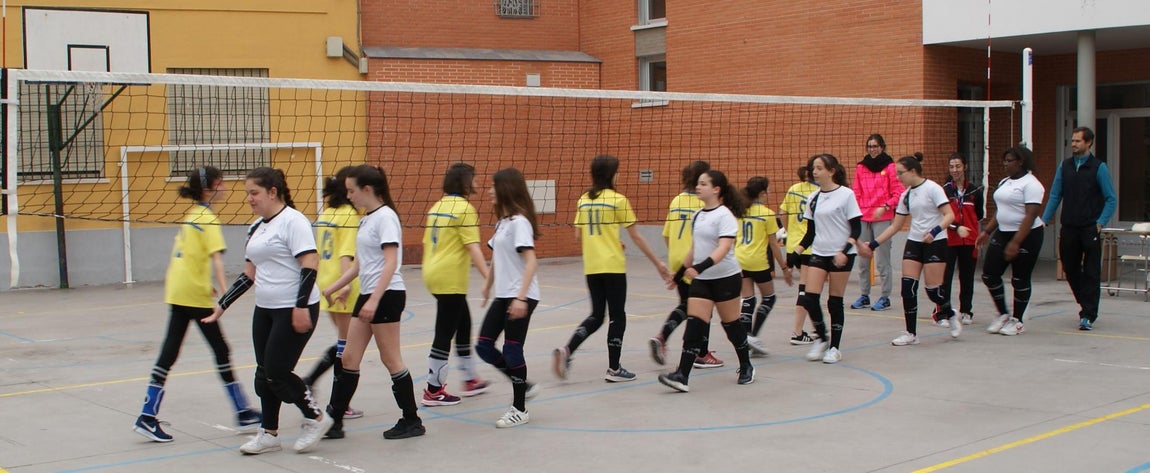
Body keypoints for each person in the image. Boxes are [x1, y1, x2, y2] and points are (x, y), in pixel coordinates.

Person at [206, 167, 331, 455]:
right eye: (247, 193)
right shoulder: (256, 227)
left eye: (254, 193)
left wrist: (301, 306)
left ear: (272, 192)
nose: (249, 198)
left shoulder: (293, 221)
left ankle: (316, 418)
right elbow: (248, 274)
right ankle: (269, 434)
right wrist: (222, 305)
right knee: (263, 375)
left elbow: (310, 263)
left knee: (277, 372)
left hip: (294, 308)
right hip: (265, 309)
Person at [133, 166, 261, 443]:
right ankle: (243, 412)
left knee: (170, 351)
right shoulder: (208, 219)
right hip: (193, 294)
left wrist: (205, 283)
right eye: (220, 184)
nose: (225, 188)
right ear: (208, 190)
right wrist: (226, 293)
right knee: (220, 349)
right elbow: (216, 259)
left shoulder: (192, 215)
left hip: (179, 288)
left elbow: (192, 256)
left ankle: (147, 415)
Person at [320, 164, 425, 440]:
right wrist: (334, 287)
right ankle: (334, 423)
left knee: (390, 358)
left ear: (367, 189)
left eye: (351, 191)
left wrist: (375, 299)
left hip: (386, 294)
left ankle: (412, 420)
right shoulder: (366, 219)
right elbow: (359, 264)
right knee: (349, 357)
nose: (348, 196)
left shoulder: (386, 217)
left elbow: (391, 262)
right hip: (369, 294)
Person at [554, 155, 671, 382]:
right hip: (613, 266)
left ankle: (568, 350)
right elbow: (636, 236)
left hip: (592, 266)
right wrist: (658, 263)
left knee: (597, 315)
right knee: (617, 316)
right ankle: (614, 369)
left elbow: (578, 236)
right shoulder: (618, 200)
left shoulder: (584, 200)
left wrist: (608, 240)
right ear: (611, 174)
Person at [657, 170, 756, 392]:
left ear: (716, 189)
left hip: (726, 278)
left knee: (731, 326)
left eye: (703, 184)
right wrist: (679, 275)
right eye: (698, 183)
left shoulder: (725, 216)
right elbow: (694, 249)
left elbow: (723, 248)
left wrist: (699, 268)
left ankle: (746, 365)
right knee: (695, 325)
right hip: (702, 280)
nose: (698, 187)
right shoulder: (697, 215)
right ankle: (682, 376)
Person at [861, 154, 962, 346]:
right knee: (907, 288)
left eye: (901, 173)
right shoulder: (905, 195)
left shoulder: (933, 189)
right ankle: (911, 333)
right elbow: (895, 226)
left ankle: (950, 313)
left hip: (936, 242)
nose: (898, 177)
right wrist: (872, 245)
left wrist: (934, 231)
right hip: (915, 241)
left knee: (933, 291)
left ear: (913, 171)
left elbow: (949, 215)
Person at [420, 162, 492, 405]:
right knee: (444, 332)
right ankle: (433, 390)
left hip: (432, 271)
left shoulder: (437, 206)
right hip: (450, 277)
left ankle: (470, 379)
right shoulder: (465, 209)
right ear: (465, 182)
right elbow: (473, 247)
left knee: (463, 323)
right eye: (474, 178)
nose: (477, 183)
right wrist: (489, 277)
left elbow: (427, 243)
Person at [477, 168, 542, 428]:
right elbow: (496, 258)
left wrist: (521, 298)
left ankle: (519, 408)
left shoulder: (519, 223)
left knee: (512, 349)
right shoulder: (502, 222)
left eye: (494, 186)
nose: (489, 191)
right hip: (504, 294)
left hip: (520, 295)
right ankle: (523, 384)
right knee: (483, 346)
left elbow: (531, 262)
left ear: (506, 188)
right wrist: (487, 285)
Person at [648, 161, 725, 369]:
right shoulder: (703, 203)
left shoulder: (677, 200)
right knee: (702, 308)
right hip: (695, 260)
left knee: (688, 304)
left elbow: (666, 234)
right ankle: (697, 352)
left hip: (677, 258)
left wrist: (676, 256)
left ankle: (673, 341)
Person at [301, 166, 364, 420]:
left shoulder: (327, 213)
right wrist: (345, 285)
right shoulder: (349, 215)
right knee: (347, 346)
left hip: (325, 282)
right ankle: (337, 401)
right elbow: (345, 253)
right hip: (341, 283)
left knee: (343, 342)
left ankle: (315, 382)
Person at [1040, 126, 1117, 331]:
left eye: (1077, 141)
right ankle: (1086, 302)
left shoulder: (1099, 167)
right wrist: (1045, 219)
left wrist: (1100, 223)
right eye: (1072, 140)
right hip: (1069, 227)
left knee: (1091, 272)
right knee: (1070, 267)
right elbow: (1055, 194)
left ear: (1088, 143)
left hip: (1090, 228)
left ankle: (1088, 314)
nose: (1073, 144)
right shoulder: (1064, 166)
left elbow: (1111, 199)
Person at [795, 154, 863, 364]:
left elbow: (856, 228)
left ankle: (835, 348)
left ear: (831, 171)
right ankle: (822, 338)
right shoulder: (813, 198)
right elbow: (810, 233)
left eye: (819, 168)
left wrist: (844, 250)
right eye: (813, 168)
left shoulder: (846, 195)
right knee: (809, 298)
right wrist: (796, 252)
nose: (814, 172)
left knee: (835, 301)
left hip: (841, 254)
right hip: (819, 252)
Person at [977, 146, 1046, 336]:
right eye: (1004, 161)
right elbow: (1001, 210)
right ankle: (1003, 314)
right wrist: (987, 231)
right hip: (1003, 232)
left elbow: (1031, 215)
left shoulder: (1032, 184)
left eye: (1009, 161)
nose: (1005, 164)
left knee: (1019, 278)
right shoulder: (1004, 182)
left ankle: (1018, 320)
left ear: (1021, 162)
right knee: (989, 274)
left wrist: (1016, 242)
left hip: (1028, 235)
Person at [735, 176, 792, 356]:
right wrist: (784, 268)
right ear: (761, 193)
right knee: (769, 298)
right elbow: (774, 244)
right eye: (768, 190)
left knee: (748, 299)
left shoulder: (740, 211)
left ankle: (746, 339)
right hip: (758, 261)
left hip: (740, 259)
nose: (769, 193)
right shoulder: (767, 213)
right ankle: (753, 335)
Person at [851, 134, 904, 312]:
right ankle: (864, 295)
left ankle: (885, 297)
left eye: (875, 146)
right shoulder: (861, 167)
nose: (872, 149)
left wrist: (885, 206)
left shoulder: (890, 167)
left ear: (882, 147)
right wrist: (856, 213)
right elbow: (856, 192)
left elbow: (898, 192)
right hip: (863, 217)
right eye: (870, 146)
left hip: (883, 218)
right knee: (863, 261)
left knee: (882, 260)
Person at [938, 153, 984, 326]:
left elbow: (979, 214)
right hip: (949, 240)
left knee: (967, 277)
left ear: (965, 167)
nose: (955, 170)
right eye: (951, 167)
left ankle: (966, 311)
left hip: (970, 240)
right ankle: (944, 311)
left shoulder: (975, 191)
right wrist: (956, 227)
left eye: (958, 166)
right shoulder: (944, 191)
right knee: (945, 277)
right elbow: (943, 215)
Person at [778, 165, 819, 345]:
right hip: (809, 245)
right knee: (806, 288)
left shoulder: (793, 189)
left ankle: (816, 328)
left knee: (811, 288)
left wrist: (789, 230)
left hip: (793, 245)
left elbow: (782, 213)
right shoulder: (819, 192)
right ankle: (797, 332)